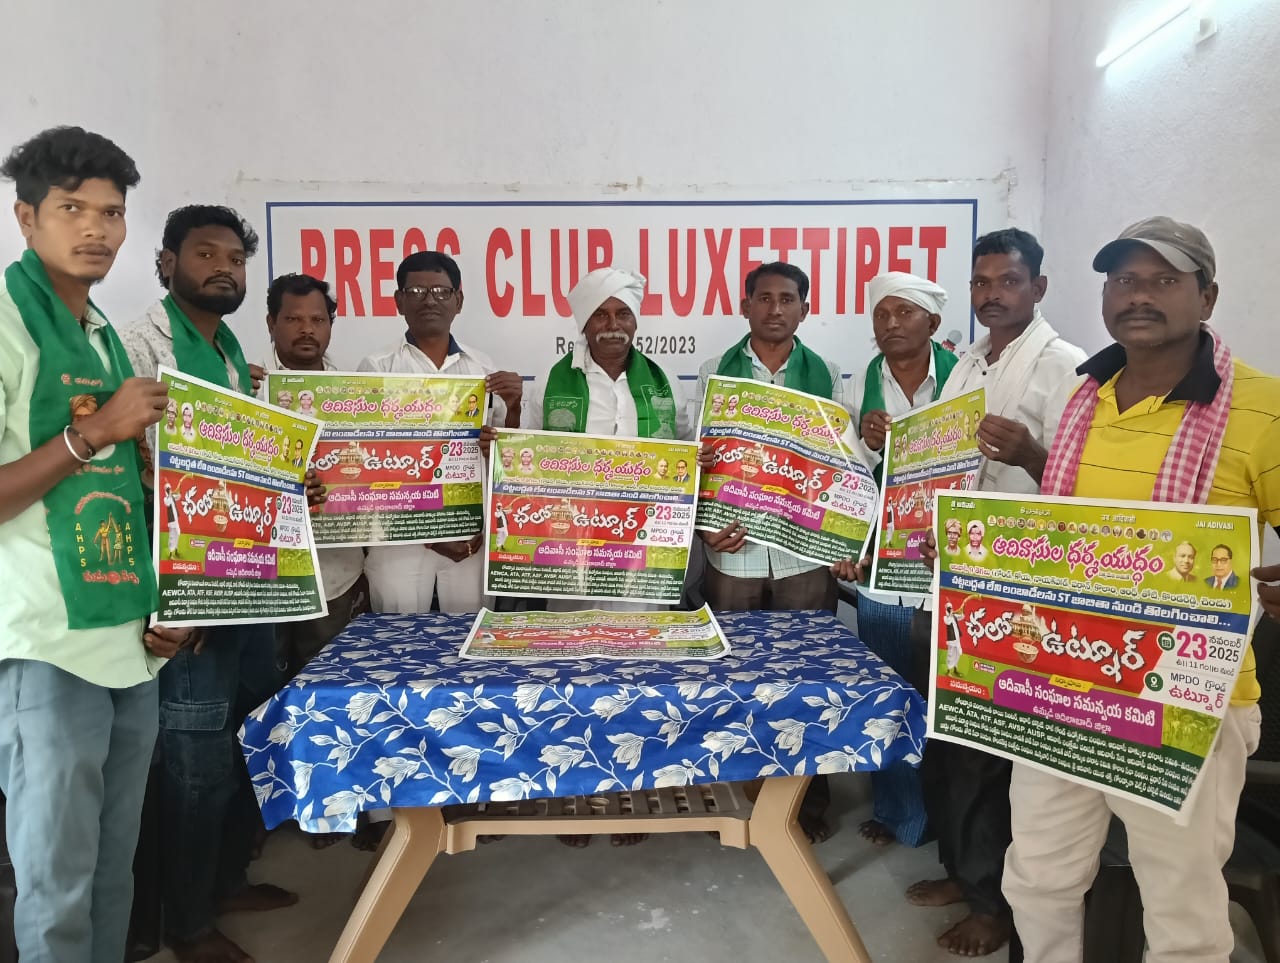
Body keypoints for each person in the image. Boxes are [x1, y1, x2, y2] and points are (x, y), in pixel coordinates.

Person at [1003, 216, 1280, 963]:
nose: (1139, 295)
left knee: (1181, 905)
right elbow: (1061, 534)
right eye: (1124, 279)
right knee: (1037, 877)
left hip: (1188, 697)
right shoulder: (1083, 397)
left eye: (1164, 280)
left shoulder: (1263, 408)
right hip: (1063, 680)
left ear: (1207, 296)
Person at [0, 125, 192, 963]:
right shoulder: (7, 323)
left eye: (111, 212)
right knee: (57, 884)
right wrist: (95, 434)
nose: (96, 228)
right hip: (47, 643)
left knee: (114, 876)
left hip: (128, 641)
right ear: (26, 217)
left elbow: (120, 492)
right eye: (72, 208)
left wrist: (165, 599)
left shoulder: (105, 336)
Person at [119, 204, 295, 963]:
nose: (223, 266)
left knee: (243, 740)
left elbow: (232, 470)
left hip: (244, 581)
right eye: (205, 253)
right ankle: (186, 924)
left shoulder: (228, 354)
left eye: (235, 258)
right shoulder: (135, 345)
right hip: (185, 590)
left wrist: (290, 478)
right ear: (166, 262)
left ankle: (224, 882)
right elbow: (124, 475)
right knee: (192, 763)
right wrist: (160, 597)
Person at [911, 229, 1087, 957]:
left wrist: (1032, 454)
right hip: (947, 577)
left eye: (1008, 280)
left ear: (1037, 287)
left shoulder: (1066, 366)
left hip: (1015, 595)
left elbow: (1086, 491)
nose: (992, 294)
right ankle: (963, 869)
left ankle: (993, 903)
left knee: (990, 753)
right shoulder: (967, 363)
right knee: (947, 741)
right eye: (981, 282)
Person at [696, 261, 864, 843]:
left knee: (807, 677)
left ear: (804, 309)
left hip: (804, 554)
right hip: (734, 549)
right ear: (745, 306)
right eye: (763, 298)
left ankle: (806, 806)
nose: (774, 309)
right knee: (733, 675)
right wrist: (705, 529)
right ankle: (734, 798)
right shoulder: (713, 372)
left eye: (786, 299)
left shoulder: (829, 377)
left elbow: (843, 466)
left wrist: (842, 541)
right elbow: (702, 461)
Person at [525, 266, 693, 846]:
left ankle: (630, 787)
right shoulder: (552, 382)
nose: (613, 324)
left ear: (636, 322)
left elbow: (682, 452)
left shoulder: (662, 382)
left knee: (638, 668)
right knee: (572, 668)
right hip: (570, 550)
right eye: (601, 314)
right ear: (583, 322)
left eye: (623, 314)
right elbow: (527, 458)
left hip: (644, 552)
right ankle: (573, 790)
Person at [851, 271, 959, 852]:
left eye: (905, 312)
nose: (891, 324)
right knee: (888, 694)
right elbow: (844, 477)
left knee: (945, 702)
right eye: (881, 314)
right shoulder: (861, 384)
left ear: (933, 323)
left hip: (946, 566)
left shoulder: (965, 379)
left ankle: (948, 827)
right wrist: (868, 443)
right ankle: (897, 814)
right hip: (884, 567)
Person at [261, 273, 368, 848]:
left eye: (317, 319)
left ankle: (330, 808)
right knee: (263, 695)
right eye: (293, 319)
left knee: (326, 695)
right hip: (257, 579)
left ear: (331, 325)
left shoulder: (355, 396)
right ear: (271, 324)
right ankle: (271, 812)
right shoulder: (245, 393)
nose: (306, 329)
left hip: (335, 572)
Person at [358, 251, 523, 616]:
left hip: (468, 532)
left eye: (441, 291)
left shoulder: (483, 368)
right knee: (397, 634)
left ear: (458, 300)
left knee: (468, 632)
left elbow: (504, 456)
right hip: (398, 535)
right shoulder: (376, 368)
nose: (429, 300)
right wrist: (430, 534)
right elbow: (368, 463)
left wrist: (513, 409)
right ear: (399, 301)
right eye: (416, 291)